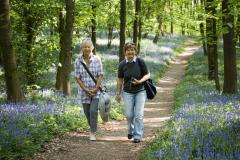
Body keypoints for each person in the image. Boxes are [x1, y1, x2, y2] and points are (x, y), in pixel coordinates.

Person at [115, 42, 150, 143]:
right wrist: (118, 93)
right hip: (127, 92)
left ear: (135, 51)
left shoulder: (140, 61)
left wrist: (140, 81)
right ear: (125, 52)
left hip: (140, 91)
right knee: (129, 115)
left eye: (132, 50)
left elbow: (148, 75)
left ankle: (137, 135)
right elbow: (120, 80)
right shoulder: (122, 64)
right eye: (128, 50)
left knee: (139, 115)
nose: (130, 52)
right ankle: (130, 129)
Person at [75, 38, 103, 141]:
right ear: (81, 48)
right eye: (84, 47)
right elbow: (77, 77)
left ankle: (92, 132)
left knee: (93, 111)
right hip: (84, 92)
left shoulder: (97, 59)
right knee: (87, 113)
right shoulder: (78, 61)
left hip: (96, 91)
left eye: (88, 46)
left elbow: (100, 74)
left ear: (92, 47)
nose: (87, 48)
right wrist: (86, 89)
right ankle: (93, 127)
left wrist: (96, 88)